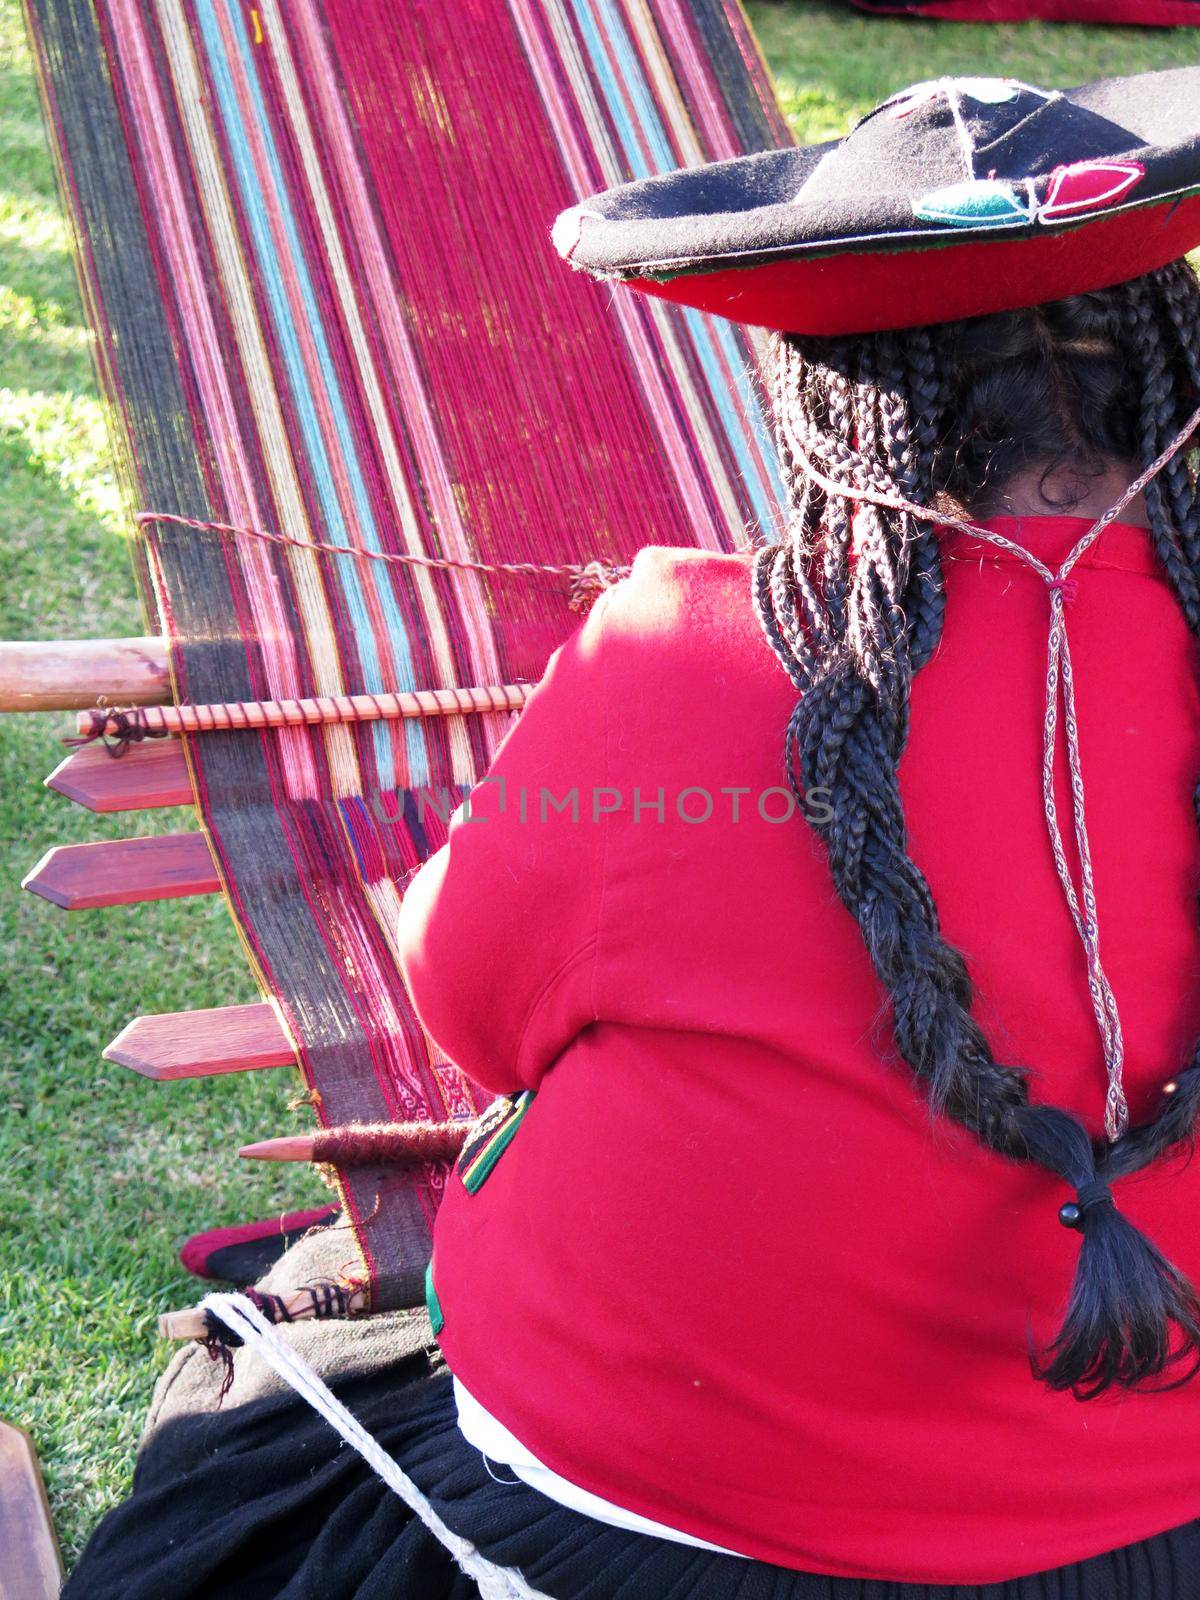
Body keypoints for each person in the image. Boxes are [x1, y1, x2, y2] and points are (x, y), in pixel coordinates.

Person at [66, 66, 1200, 1599]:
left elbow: (466, 1010)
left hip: (656, 1519)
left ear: (836, 405)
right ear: (1168, 370)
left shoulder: (681, 655)